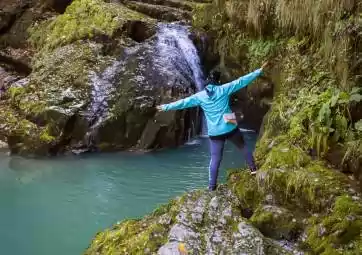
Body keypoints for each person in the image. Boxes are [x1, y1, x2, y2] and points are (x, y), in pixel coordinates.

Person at [156, 62, 270, 191]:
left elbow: (183, 103)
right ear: (218, 81)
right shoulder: (224, 89)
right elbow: (241, 81)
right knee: (243, 146)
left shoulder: (200, 96)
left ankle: (212, 187)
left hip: (214, 131)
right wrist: (259, 70)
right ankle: (253, 169)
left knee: (215, 159)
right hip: (230, 125)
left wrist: (164, 107)